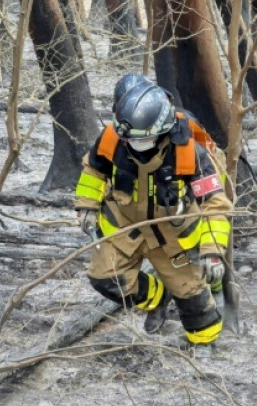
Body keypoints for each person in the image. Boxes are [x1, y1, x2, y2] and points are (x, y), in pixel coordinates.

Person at [74, 79, 232, 348]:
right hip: (125, 227)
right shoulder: (114, 137)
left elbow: (214, 204)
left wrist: (212, 250)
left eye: (143, 138)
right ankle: (157, 299)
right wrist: (87, 205)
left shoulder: (189, 153)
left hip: (172, 234)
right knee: (106, 279)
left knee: (196, 306)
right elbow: (93, 170)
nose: (136, 144)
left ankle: (205, 345)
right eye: (131, 139)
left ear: (162, 130)